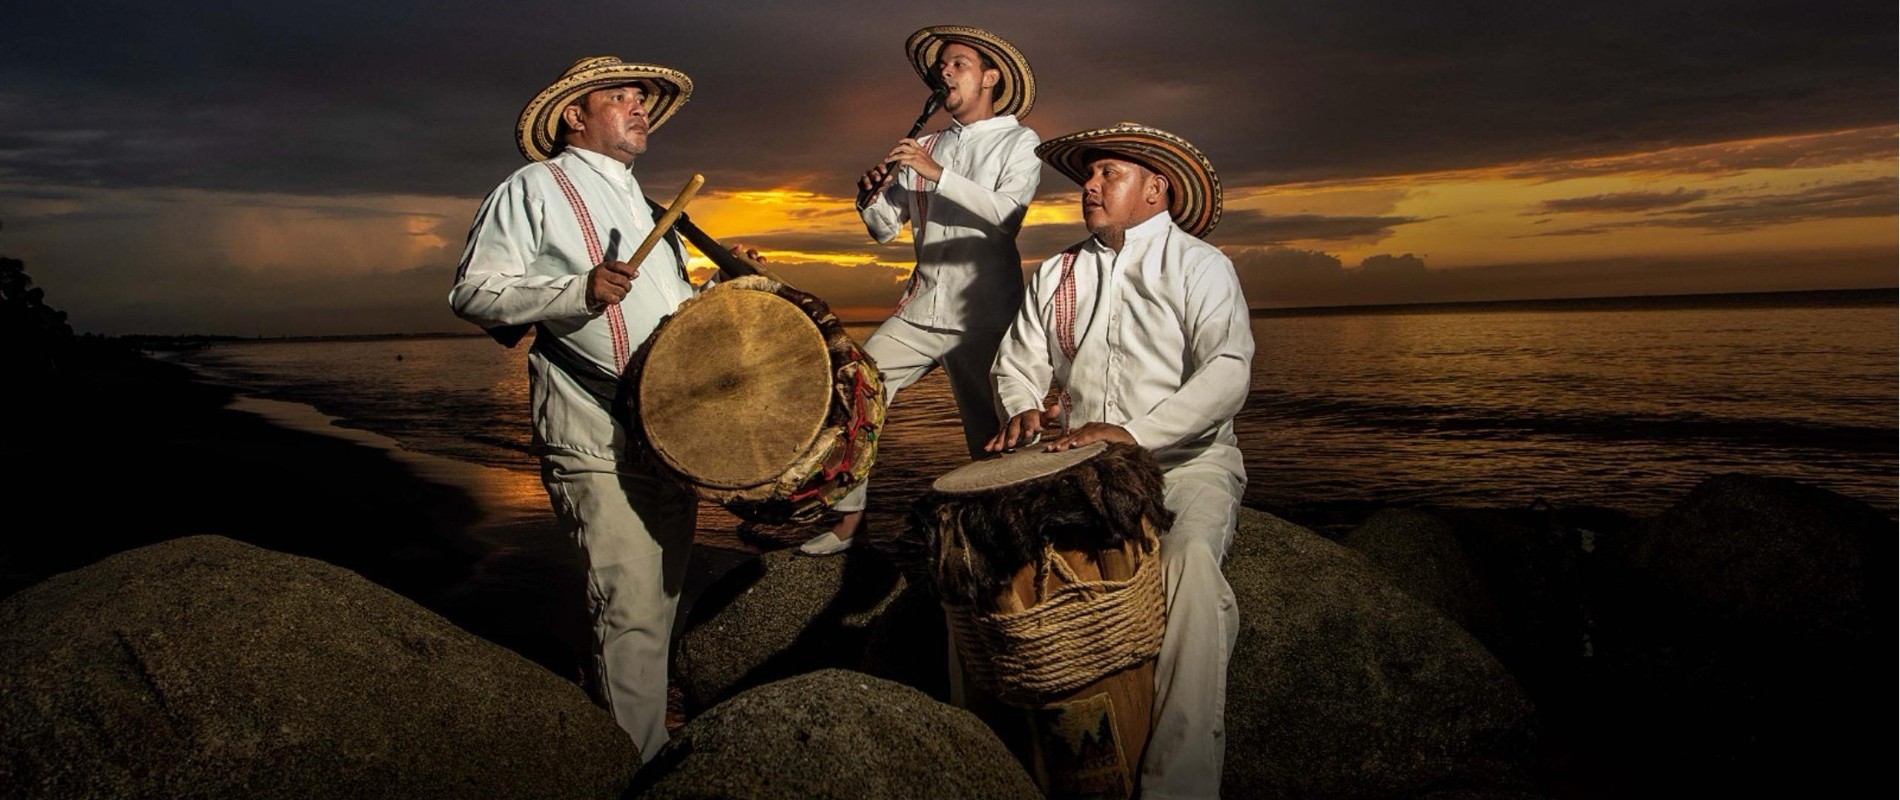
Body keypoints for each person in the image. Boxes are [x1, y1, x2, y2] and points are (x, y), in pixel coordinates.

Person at [448, 56, 731, 762]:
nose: (640, 109)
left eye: (643, 100)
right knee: (629, 603)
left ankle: (645, 739)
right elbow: (474, 292)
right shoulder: (533, 188)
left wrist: (721, 290)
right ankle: (637, 766)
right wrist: (576, 291)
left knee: (662, 596)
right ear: (575, 114)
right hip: (591, 425)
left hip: (669, 432)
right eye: (623, 98)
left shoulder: (647, 206)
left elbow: (666, 317)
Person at [986, 122, 1251, 799]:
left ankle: (1179, 785)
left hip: (1186, 465)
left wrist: (1135, 434)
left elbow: (1228, 371)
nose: (1091, 188)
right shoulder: (1060, 271)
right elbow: (1015, 365)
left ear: (1155, 189)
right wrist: (1020, 408)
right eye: (1089, 177)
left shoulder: (1201, 266)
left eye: (1110, 175)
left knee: (1189, 567)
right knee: (987, 565)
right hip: (1080, 471)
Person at [800, 25, 1044, 556]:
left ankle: (1011, 540)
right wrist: (868, 199)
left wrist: (935, 174)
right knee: (852, 394)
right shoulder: (927, 144)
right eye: (943, 67)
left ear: (991, 77)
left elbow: (1008, 216)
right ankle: (848, 521)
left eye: (958, 64)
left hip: (983, 314)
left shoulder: (1018, 141)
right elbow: (886, 230)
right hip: (919, 311)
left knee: (992, 436)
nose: (945, 72)